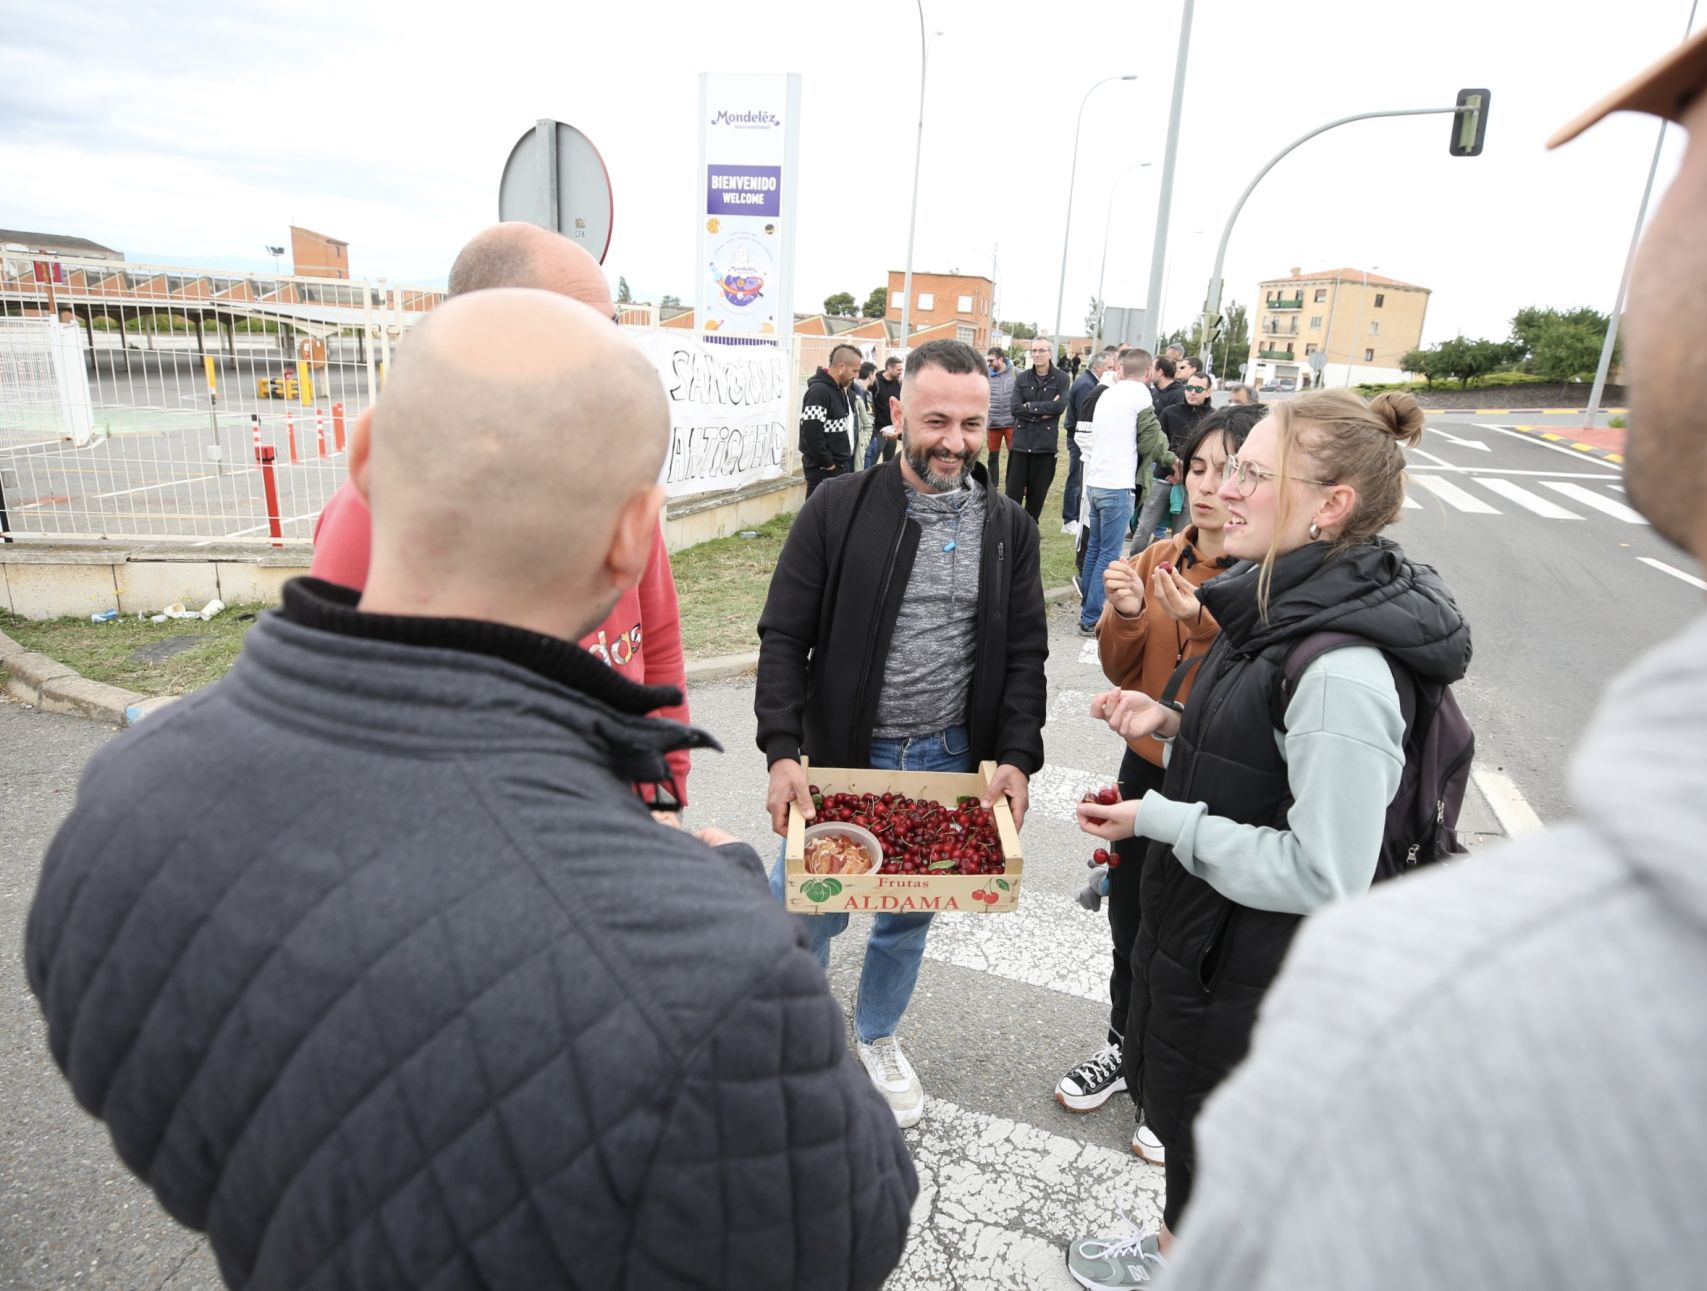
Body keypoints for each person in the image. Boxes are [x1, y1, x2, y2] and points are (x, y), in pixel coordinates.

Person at [1162, 3, 1707, 1288]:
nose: (1226, 484)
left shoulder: (1434, 1030)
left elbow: (1324, 864)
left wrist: (1174, 825)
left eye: (1682, 155)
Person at [25, 290, 919, 1291]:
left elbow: (153, 1110)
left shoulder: (120, 804)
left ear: (362, 458)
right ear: (635, 536)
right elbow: (851, 1231)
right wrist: (717, 898)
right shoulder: (711, 967)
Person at [1067, 388, 1468, 1289]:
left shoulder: (1342, 668)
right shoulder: (1273, 604)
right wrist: (1167, 724)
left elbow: (1327, 874)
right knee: (1197, 1140)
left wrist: (1157, 816)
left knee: (1235, 1165)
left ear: (1331, 506)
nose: (1227, 490)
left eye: (1256, 471)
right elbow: (1263, 759)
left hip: (1263, 976)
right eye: (1232, 467)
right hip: (1217, 950)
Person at [755, 338, 1050, 1128]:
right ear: (896, 416)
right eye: (937, 420)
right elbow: (784, 636)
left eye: (973, 422)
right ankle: (794, 1042)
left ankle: (877, 1034)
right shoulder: (838, 508)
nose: (955, 440)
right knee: (803, 913)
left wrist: (1018, 756)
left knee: (908, 913)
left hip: (950, 759)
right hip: (845, 759)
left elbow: (1026, 656)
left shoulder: (1010, 530)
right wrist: (783, 752)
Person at [308, 221, 693, 807]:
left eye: (611, 329)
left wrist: (663, 796)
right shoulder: (381, 511)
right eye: (581, 330)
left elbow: (658, 644)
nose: (613, 354)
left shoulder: (615, 485)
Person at [1055, 404, 1262, 1159]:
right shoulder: (1160, 557)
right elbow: (1121, 667)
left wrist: (1202, 618)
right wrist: (1132, 610)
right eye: (1200, 468)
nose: (1212, 487)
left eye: (1235, 471)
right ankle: (1124, 1047)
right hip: (1143, 774)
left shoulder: (1268, 576)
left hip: (1222, 788)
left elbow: (1247, 678)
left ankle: (1174, 1087)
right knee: (1132, 927)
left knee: (1198, 947)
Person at [1076, 349, 1174, 636]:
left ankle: (1086, 609)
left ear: (1122, 369)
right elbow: (1150, 443)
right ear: (1148, 372)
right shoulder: (1141, 396)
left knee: (1094, 549)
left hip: (1095, 482)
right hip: (1118, 485)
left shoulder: (1108, 392)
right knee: (1109, 553)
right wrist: (1171, 459)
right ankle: (1092, 618)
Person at [1130, 371, 1214, 556]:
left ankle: (1175, 573)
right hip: (1163, 478)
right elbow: (1158, 445)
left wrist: (1186, 474)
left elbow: (1210, 453)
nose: (1192, 392)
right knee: (1143, 529)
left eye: (1198, 389)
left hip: (1191, 484)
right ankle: (1133, 565)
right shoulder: (1170, 412)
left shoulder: (1212, 419)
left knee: (1181, 535)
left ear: (1208, 392)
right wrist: (1174, 468)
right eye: (1189, 387)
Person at [1008, 335, 1073, 523]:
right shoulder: (1022, 378)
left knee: (1036, 498)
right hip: (1021, 445)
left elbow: (1059, 407)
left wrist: (1029, 407)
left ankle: (1029, 534)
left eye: (1041, 350)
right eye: (1034, 350)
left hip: (1044, 448)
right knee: (1012, 497)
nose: (1037, 354)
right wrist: (1042, 412)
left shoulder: (1061, 379)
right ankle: (1011, 532)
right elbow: (1014, 408)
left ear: (1050, 353)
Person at [801, 342, 861, 495]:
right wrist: (828, 463)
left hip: (838, 469)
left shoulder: (839, 389)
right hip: (823, 472)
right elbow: (811, 433)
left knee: (834, 514)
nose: (856, 376)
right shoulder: (818, 392)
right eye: (854, 371)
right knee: (817, 516)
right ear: (841, 367)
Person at [1061, 350, 1110, 535]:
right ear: (1098, 367)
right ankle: (1069, 519)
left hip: (1080, 437)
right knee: (1076, 479)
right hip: (1078, 438)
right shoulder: (1086, 385)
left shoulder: (1090, 382)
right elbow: (1086, 416)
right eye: (1109, 367)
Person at [986, 345, 1018, 490]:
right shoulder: (985, 374)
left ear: (1000, 359)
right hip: (992, 424)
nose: (989, 364)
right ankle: (993, 486)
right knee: (992, 457)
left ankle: (1014, 484)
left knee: (1015, 457)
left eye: (991, 360)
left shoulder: (1015, 373)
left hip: (1011, 422)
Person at [867, 353, 904, 467]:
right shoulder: (876, 383)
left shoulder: (898, 383)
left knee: (889, 463)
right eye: (898, 369)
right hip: (878, 430)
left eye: (901, 369)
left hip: (892, 429)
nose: (900, 372)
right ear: (889, 368)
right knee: (872, 461)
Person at [852, 358, 877, 464]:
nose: (876, 378)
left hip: (870, 439)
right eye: (875, 374)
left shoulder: (868, 392)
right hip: (863, 442)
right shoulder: (856, 391)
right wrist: (865, 441)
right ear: (870, 374)